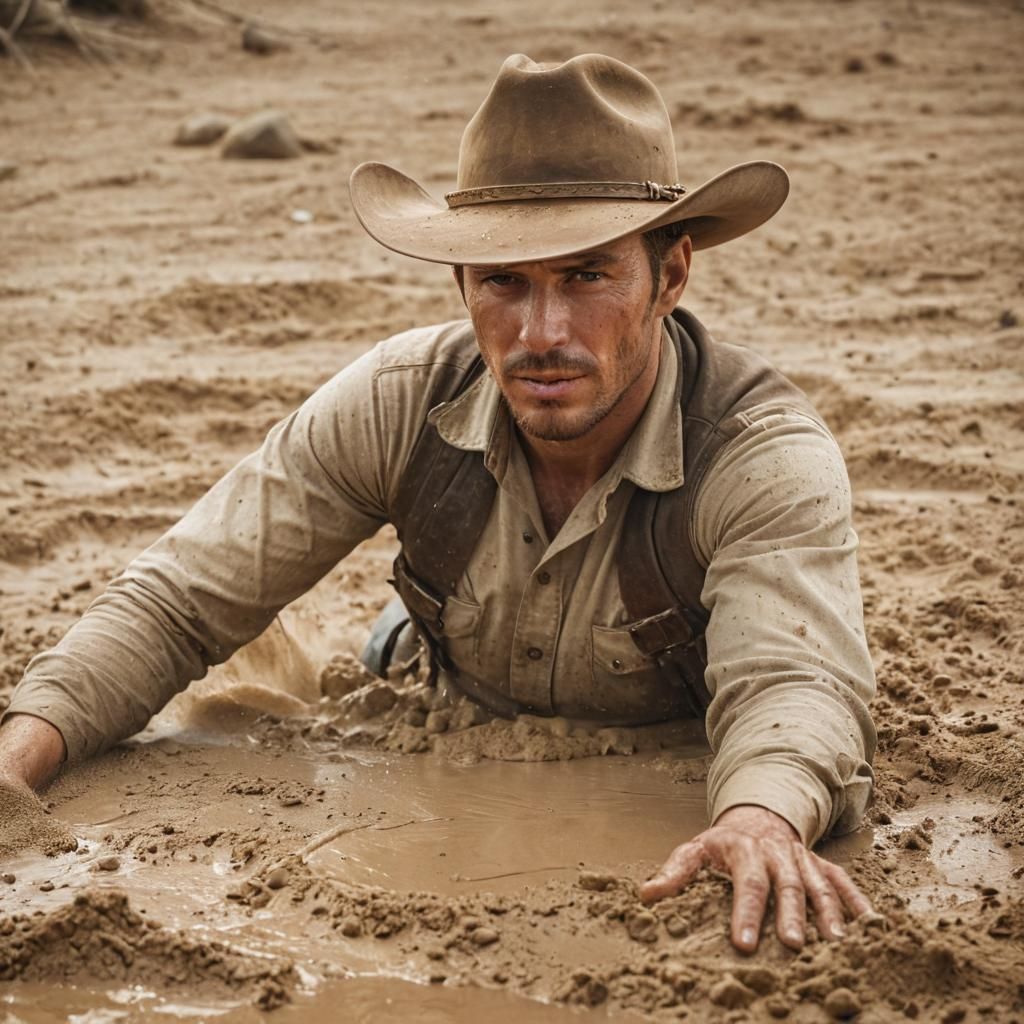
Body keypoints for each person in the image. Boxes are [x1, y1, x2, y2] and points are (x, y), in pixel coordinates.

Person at [0, 53, 875, 953]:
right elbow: (180, 600)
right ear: (461, 285)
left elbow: (795, 685)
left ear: (672, 275)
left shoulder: (760, 455)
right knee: (369, 646)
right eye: (504, 281)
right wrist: (15, 763)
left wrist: (761, 818)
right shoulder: (399, 397)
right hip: (441, 664)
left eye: (586, 275)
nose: (543, 335)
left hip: (669, 714)